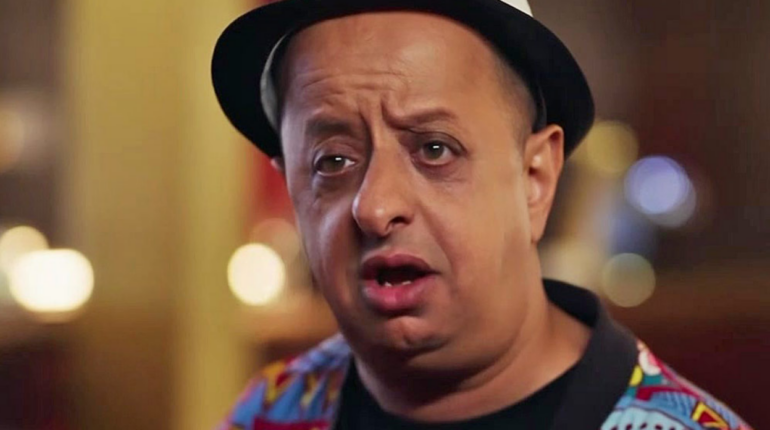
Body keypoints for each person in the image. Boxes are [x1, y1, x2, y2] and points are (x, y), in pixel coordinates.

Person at [211, 0, 752, 429]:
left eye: (434, 149)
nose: (375, 207)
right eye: (333, 161)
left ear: (535, 178)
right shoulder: (271, 412)